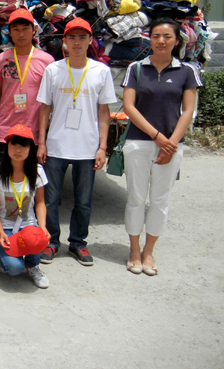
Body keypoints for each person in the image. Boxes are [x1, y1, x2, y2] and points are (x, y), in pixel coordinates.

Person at [122, 17, 201, 276]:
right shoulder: (136, 68)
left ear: (177, 41)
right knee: (135, 198)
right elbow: (129, 107)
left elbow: (188, 111)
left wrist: (171, 144)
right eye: (156, 36)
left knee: (159, 201)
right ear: (150, 39)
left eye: (167, 36)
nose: (161, 41)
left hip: (171, 146)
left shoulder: (187, 71)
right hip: (138, 143)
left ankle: (149, 252)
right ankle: (134, 250)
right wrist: (156, 136)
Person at [36, 17, 117, 266]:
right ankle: (51, 242)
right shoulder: (53, 70)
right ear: (65, 42)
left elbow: (104, 112)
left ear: (90, 40)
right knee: (50, 199)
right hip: (57, 145)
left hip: (88, 147)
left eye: (82, 37)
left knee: (83, 202)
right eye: (72, 37)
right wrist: (42, 142)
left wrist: (102, 147)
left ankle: (78, 243)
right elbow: (44, 108)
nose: (77, 42)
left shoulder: (101, 71)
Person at [0, 124, 51, 288]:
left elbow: (40, 202)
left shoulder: (37, 171)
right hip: (6, 228)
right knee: (14, 268)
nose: (18, 150)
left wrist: (42, 227)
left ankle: (32, 265)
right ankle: (5, 259)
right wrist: (0, 232)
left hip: (29, 227)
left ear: (30, 148)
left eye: (23, 145)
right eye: (13, 144)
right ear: (7, 146)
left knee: (38, 238)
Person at [0, 8, 55, 169]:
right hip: (4, 131)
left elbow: (49, 100)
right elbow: (1, 93)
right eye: (16, 29)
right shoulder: (0, 60)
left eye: (25, 29)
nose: (21, 34)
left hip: (33, 132)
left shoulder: (47, 61)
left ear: (34, 30)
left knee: (31, 179)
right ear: (9, 32)